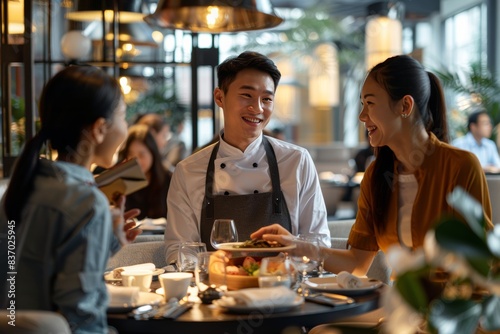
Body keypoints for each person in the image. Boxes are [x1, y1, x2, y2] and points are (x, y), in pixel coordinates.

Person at [251, 55, 493, 276]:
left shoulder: (460, 167)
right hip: (401, 313)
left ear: (405, 107)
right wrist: (296, 246)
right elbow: (357, 264)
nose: (362, 116)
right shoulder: (376, 176)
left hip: (453, 315)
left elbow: (479, 264)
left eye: (370, 103)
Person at [0, 66, 141, 333]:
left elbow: (22, 273)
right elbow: (82, 318)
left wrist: (105, 244)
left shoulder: (23, 185)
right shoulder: (87, 202)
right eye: (123, 116)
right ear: (99, 129)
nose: (127, 127)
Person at [164, 51, 330, 264]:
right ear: (219, 97)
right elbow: (180, 249)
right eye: (246, 95)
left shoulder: (296, 161)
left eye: (267, 99)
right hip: (216, 290)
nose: (258, 108)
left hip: (284, 289)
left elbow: (318, 242)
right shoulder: (187, 171)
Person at [117, 124, 172, 220]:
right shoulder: (121, 182)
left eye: (141, 155)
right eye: (131, 154)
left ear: (153, 153)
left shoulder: (168, 179)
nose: (136, 160)